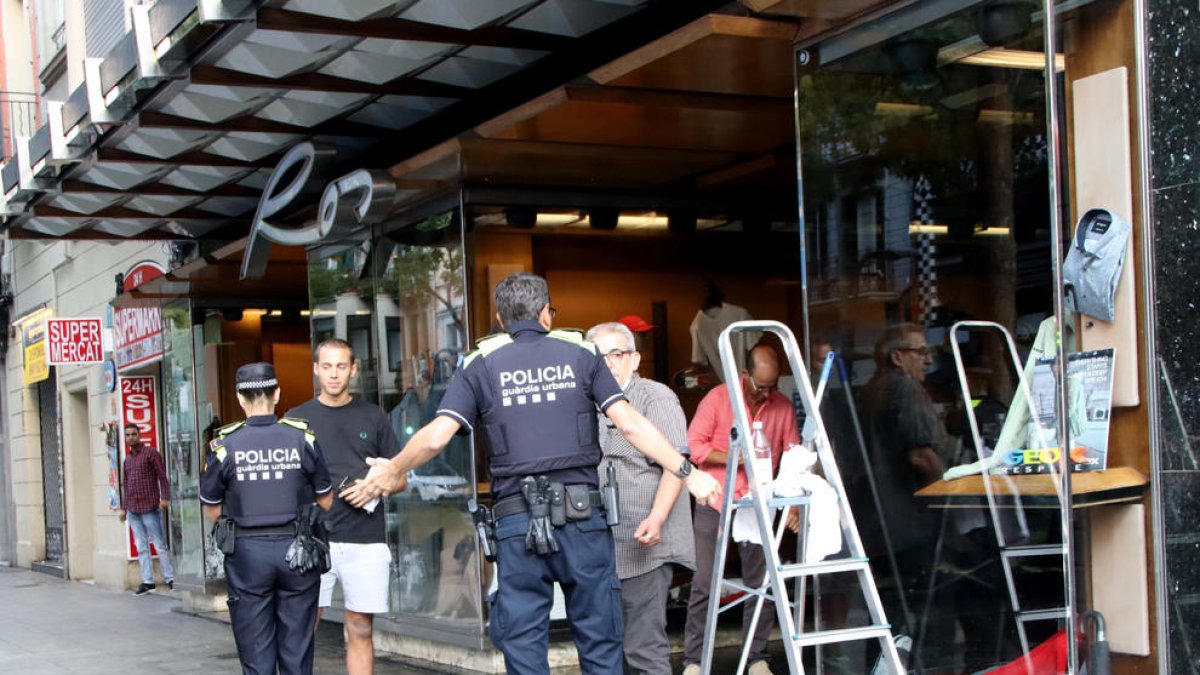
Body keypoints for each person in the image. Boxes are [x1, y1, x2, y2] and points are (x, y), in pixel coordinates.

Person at [341, 272, 721, 675]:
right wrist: (688, 472)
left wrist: (392, 469)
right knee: (601, 647)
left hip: (518, 524)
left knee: (524, 651)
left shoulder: (479, 364)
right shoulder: (581, 354)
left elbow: (436, 437)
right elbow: (629, 424)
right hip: (583, 522)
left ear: (501, 320)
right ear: (546, 314)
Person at [200, 362, 333, 675]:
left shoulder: (225, 446)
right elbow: (325, 499)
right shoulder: (303, 439)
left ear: (239, 398)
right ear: (277, 394)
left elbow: (211, 508)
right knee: (297, 650)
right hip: (298, 551)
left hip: (248, 556)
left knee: (256, 653)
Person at [681, 343, 800, 675]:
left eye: (772, 386)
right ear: (745, 375)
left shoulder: (782, 406)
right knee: (705, 581)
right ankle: (693, 660)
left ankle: (756, 657)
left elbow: (793, 457)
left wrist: (793, 505)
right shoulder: (718, 398)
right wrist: (736, 457)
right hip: (715, 499)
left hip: (758, 503)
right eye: (760, 386)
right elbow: (693, 446)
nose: (766, 393)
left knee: (761, 583)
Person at [586, 321, 695, 675]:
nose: (608, 363)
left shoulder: (654, 396)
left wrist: (658, 517)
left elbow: (676, 465)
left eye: (616, 354)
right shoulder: (586, 401)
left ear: (635, 359)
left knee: (643, 650)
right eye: (598, 356)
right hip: (602, 545)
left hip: (645, 541)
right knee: (607, 650)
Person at [287, 338, 401, 675]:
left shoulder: (374, 416)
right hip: (312, 540)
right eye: (327, 366)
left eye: (341, 366)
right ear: (316, 369)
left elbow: (402, 477)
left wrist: (375, 485)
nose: (334, 374)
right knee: (303, 626)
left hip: (365, 538)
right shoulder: (296, 419)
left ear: (353, 369)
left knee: (361, 628)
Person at [119, 422, 175, 596]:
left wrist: (164, 498)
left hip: (150, 507)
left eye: (133, 434)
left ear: (139, 435)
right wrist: (123, 508)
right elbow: (125, 485)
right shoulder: (127, 460)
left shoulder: (151, 454)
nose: (130, 438)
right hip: (133, 510)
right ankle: (148, 581)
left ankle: (170, 578)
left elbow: (162, 477)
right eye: (127, 435)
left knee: (159, 544)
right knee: (141, 546)